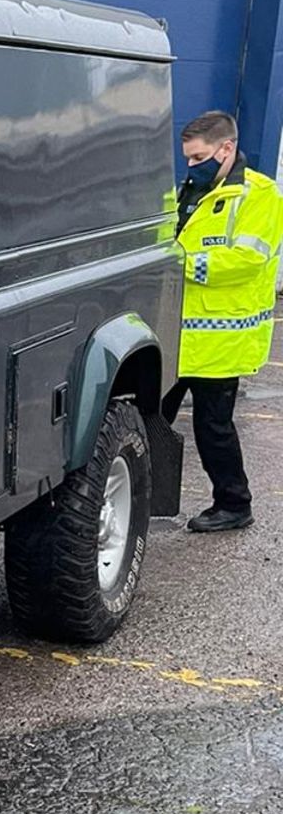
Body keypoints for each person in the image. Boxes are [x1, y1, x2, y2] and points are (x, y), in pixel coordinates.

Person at [163, 110, 283, 532]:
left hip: (221, 338)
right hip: (178, 332)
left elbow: (248, 260)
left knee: (212, 427)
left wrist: (182, 265)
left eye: (200, 157)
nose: (193, 166)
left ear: (227, 148)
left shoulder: (260, 195)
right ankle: (146, 499)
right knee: (153, 420)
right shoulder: (191, 190)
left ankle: (234, 504)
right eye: (189, 159)